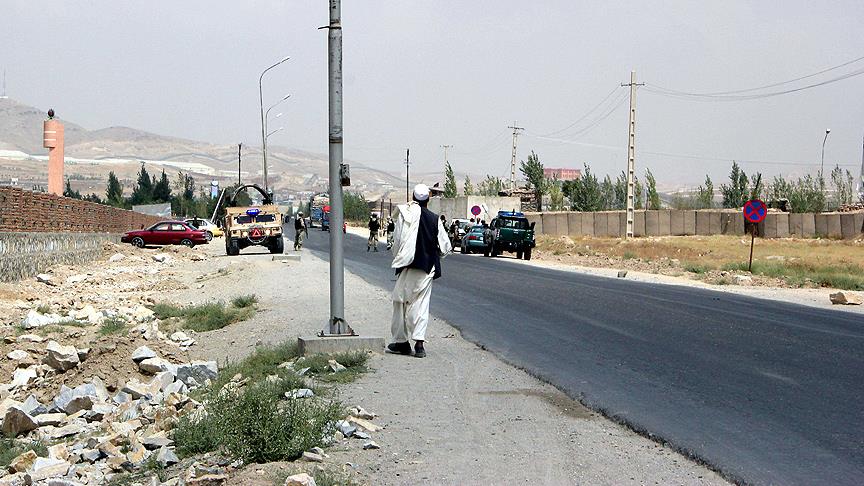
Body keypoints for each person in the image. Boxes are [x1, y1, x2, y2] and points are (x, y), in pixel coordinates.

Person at [387, 184, 452, 358]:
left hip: (407, 267)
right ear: (428, 199)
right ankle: (419, 344)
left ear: (413, 197)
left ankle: (402, 343)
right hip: (426, 268)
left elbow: (397, 241)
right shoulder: (434, 219)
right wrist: (434, 255)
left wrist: (399, 258)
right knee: (421, 304)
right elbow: (445, 247)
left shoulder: (405, 215)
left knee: (399, 302)